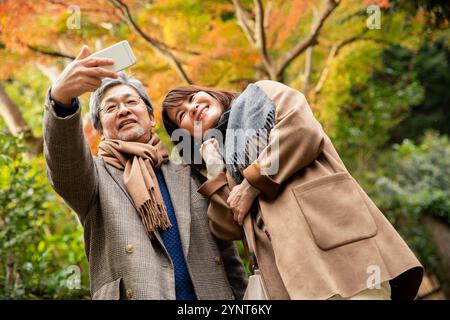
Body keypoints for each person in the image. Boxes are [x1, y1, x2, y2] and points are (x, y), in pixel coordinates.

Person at [161, 80, 424, 300]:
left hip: (341, 254)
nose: (192, 107)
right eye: (182, 115)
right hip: (288, 280)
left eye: (193, 97)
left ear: (212, 93)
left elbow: (301, 131)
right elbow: (227, 228)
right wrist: (216, 170)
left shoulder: (261, 94)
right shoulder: (223, 163)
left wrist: (251, 184)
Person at [43, 45, 247, 300]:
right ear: (101, 130)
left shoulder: (188, 174)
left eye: (131, 102)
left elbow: (227, 254)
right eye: (111, 108)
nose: (124, 110)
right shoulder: (93, 178)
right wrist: (61, 101)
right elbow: (66, 166)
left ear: (151, 118)